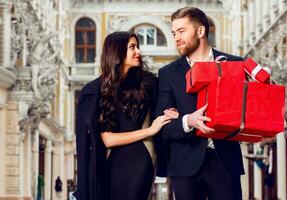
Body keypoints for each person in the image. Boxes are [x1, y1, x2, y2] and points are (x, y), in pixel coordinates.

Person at [74, 31, 178, 200]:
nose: (138, 51)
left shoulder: (148, 83)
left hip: (141, 159)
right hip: (111, 162)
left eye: (137, 46)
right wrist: (149, 131)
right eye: (132, 47)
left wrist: (169, 113)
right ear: (117, 52)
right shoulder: (97, 90)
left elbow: (164, 106)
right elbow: (108, 139)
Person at [155, 7, 244, 200]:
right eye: (173, 33)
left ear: (201, 31)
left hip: (224, 161)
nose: (176, 38)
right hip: (184, 164)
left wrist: (262, 87)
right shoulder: (168, 74)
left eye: (181, 31)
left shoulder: (234, 64)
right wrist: (188, 121)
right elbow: (163, 126)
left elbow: (246, 111)